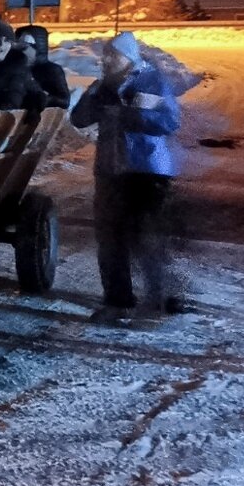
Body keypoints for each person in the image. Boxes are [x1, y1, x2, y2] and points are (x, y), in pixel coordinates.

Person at [70, 32, 183, 320]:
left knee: (148, 238)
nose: (106, 60)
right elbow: (79, 119)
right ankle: (118, 301)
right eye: (105, 54)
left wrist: (126, 114)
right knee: (110, 239)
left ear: (129, 58)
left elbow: (170, 121)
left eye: (113, 55)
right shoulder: (102, 86)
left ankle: (157, 300)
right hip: (110, 171)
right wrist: (94, 98)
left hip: (147, 171)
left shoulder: (152, 81)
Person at [14, 25, 71, 109]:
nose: (23, 52)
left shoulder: (51, 70)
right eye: (20, 47)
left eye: (25, 47)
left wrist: (45, 99)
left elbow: (64, 100)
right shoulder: (14, 68)